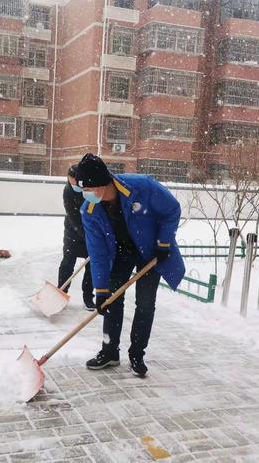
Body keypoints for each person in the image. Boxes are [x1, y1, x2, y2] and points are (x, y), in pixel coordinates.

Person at [75, 153, 185, 376]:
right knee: (112, 301)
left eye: (89, 189)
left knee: (145, 304)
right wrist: (101, 290)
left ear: (104, 183)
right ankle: (109, 351)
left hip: (150, 252)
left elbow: (172, 209)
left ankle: (137, 354)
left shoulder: (141, 187)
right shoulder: (89, 211)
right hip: (120, 254)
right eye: (83, 190)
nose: (87, 195)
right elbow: (97, 253)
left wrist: (163, 243)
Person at [58, 165, 94, 311]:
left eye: (75, 183)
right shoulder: (67, 191)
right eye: (70, 182)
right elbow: (73, 217)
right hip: (73, 232)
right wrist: (84, 234)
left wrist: (92, 234)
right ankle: (61, 292)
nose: (73, 186)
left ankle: (88, 297)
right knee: (67, 262)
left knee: (91, 267)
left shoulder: (90, 189)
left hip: (91, 231)